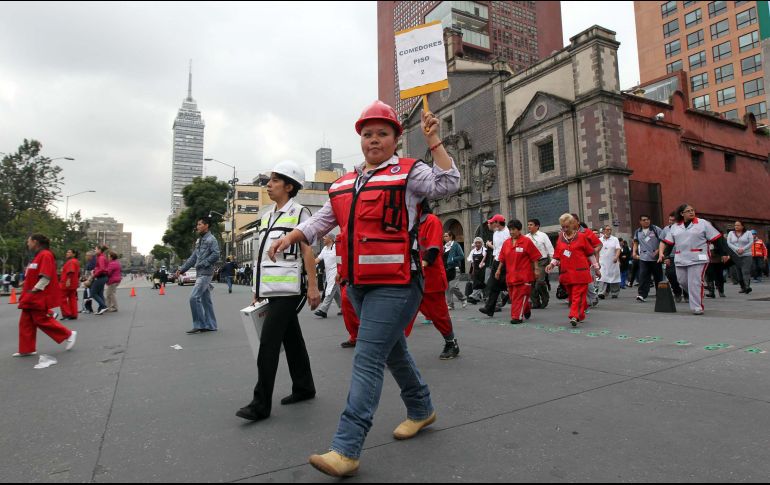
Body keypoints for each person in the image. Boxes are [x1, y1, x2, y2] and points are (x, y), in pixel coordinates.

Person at [267, 101, 460, 477]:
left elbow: (449, 183)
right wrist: (289, 236)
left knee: (368, 358)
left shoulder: (410, 172)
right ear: (360, 138)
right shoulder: (343, 184)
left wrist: (434, 140)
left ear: (395, 139)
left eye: (382, 134)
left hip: (399, 283)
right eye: (368, 134)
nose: (374, 139)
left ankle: (346, 448)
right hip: (358, 286)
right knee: (394, 353)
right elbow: (321, 221)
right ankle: (421, 408)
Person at [236, 160, 321, 423]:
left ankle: (260, 404)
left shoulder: (300, 213)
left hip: (289, 289)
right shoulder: (267, 216)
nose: (269, 185)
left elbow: (307, 250)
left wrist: (313, 286)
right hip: (270, 289)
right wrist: (257, 289)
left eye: (274, 180)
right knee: (292, 339)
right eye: (269, 180)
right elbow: (262, 257)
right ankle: (304, 387)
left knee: (268, 344)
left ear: (289, 186)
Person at [405, 200, 460, 359]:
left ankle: (451, 342)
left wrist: (422, 264)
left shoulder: (431, 221)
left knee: (439, 315)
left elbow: (433, 249)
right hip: (410, 278)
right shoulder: (407, 223)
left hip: (430, 278)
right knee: (403, 315)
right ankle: (394, 348)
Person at [659, 204, 730, 315]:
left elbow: (717, 239)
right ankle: (698, 291)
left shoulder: (703, 223)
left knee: (694, 282)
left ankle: (697, 307)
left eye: (692, 210)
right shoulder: (675, 226)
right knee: (682, 281)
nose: (691, 212)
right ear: (682, 213)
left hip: (698, 258)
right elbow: (669, 243)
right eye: (688, 211)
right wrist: (665, 256)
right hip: (681, 258)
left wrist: (724, 253)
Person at [14, 234, 77, 357]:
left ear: (35, 242)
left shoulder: (45, 255)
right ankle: (26, 349)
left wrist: (34, 290)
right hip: (30, 294)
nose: (28, 244)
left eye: (29, 241)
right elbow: (34, 274)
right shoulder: (38, 256)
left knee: (41, 319)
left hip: (36, 295)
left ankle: (68, 334)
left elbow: (45, 277)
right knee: (26, 322)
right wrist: (25, 283)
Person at [547, 214, 601, 327]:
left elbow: (590, 254)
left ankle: (574, 316)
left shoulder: (582, 237)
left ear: (572, 225)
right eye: (563, 227)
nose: (565, 229)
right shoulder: (560, 238)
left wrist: (596, 268)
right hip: (567, 273)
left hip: (581, 272)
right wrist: (551, 264)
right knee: (573, 297)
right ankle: (581, 313)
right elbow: (557, 255)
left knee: (576, 295)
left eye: (567, 226)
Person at [176, 217, 221, 334]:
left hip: (205, 273)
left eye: (200, 224)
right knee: (206, 301)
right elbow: (193, 258)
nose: (197, 227)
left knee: (194, 297)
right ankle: (211, 325)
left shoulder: (211, 239)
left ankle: (200, 324)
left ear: (206, 225)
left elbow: (216, 254)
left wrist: (203, 264)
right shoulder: (199, 241)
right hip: (200, 272)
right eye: (197, 224)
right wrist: (182, 269)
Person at [496, 219, 542, 324]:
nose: (511, 232)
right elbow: (502, 258)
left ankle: (516, 317)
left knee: (519, 297)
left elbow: (534, 256)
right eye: (510, 230)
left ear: (519, 230)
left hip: (524, 275)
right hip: (511, 276)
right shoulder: (506, 243)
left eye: (514, 229)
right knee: (513, 297)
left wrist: (536, 269)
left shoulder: (526, 241)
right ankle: (526, 308)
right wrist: (498, 270)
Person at [479, 214, 511, 317]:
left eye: (492, 222)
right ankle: (489, 308)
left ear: (497, 223)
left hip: (505, 262)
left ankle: (508, 296)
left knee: (505, 283)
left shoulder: (508, 232)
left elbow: (507, 250)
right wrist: (494, 260)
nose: (491, 224)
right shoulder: (495, 233)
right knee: (493, 285)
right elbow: (497, 249)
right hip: (496, 260)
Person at [570, 213, 602, 308]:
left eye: (572, 221)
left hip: (586, 262)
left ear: (578, 222)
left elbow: (599, 245)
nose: (570, 223)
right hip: (572, 263)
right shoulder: (567, 233)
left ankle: (592, 297)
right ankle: (578, 301)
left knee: (587, 281)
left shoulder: (587, 232)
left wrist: (591, 252)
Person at [632, 215, 663, 302]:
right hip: (643, 257)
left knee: (658, 277)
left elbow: (663, 241)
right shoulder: (638, 231)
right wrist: (634, 252)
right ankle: (642, 294)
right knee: (643, 276)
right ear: (640, 222)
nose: (646, 221)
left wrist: (658, 250)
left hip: (655, 257)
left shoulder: (655, 229)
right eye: (644, 220)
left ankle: (660, 294)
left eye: (648, 219)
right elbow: (635, 242)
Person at [525, 219, 554, 309]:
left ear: (537, 226)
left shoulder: (543, 235)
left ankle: (545, 297)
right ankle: (535, 302)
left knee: (540, 282)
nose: (529, 226)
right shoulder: (526, 237)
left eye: (531, 225)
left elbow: (550, 249)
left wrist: (553, 262)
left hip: (542, 261)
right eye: (528, 225)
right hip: (530, 262)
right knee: (531, 283)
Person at [659, 213, 688, 303]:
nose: (671, 222)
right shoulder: (666, 229)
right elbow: (662, 242)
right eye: (670, 220)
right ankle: (677, 292)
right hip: (670, 256)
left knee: (685, 276)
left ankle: (687, 293)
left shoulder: (684, 228)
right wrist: (663, 255)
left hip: (683, 255)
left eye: (673, 220)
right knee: (670, 274)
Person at [314, 233, 341, 319]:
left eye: (325, 237)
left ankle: (323, 310)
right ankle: (344, 308)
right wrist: (309, 264)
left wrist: (340, 272)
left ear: (331, 239)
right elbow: (317, 259)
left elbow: (341, 260)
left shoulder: (337, 247)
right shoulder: (324, 249)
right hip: (328, 274)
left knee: (329, 290)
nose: (323, 238)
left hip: (336, 272)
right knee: (336, 292)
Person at [727, 220, 755, 295]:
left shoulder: (748, 233)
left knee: (745, 271)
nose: (736, 226)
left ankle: (747, 287)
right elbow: (729, 243)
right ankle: (742, 287)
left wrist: (743, 249)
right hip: (736, 255)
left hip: (746, 255)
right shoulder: (731, 233)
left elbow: (751, 242)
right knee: (738, 272)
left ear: (742, 226)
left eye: (738, 225)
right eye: (735, 225)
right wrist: (737, 249)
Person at [443, 231, 467, 310]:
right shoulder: (444, 247)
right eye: (444, 236)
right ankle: (450, 304)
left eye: (446, 236)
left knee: (452, 286)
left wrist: (453, 259)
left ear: (451, 236)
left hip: (455, 268)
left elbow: (461, 256)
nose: (445, 238)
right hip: (446, 269)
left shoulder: (456, 245)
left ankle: (463, 298)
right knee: (447, 287)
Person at [598, 226, 622, 299]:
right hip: (602, 261)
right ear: (603, 231)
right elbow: (597, 250)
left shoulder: (615, 239)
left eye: (610, 230)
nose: (609, 231)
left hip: (612, 261)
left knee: (614, 276)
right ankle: (601, 292)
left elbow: (618, 249)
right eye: (607, 229)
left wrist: (616, 257)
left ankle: (615, 292)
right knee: (602, 277)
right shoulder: (599, 240)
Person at [706, 222, 727, 299]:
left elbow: (723, 245)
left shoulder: (718, 235)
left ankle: (721, 291)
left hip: (717, 257)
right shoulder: (702, 234)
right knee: (709, 274)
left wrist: (724, 254)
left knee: (719, 274)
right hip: (707, 257)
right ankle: (711, 292)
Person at [59, 249, 80, 321]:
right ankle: (74, 314)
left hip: (66, 282)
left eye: (69, 252)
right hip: (73, 283)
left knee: (62, 298)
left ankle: (67, 314)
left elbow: (71, 271)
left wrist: (68, 280)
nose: (67, 253)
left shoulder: (71, 261)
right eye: (67, 252)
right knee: (72, 298)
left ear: (73, 254)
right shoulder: (76, 261)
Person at [466, 237, 488, 304]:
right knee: (476, 283)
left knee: (482, 282)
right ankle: (476, 297)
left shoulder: (484, 250)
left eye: (479, 243)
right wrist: (473, 270)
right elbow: (472, 261)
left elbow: (486, 259)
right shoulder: (473, 251)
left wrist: (482, 264)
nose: (477, 244)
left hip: (483, 269)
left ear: (482, 243)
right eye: (476, 243)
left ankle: (477, 296)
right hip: (475, 269)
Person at [91, 245, 110, 315]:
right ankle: (101, 309)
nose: (94, 250)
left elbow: (102, 269)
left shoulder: (101, 258)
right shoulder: (101, 257)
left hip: (101, 277)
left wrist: (94, 274)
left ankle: (103, 306)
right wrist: (95, 270)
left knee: (93, 293)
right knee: (100, 293)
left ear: (99, 250)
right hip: (103, 277)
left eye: (95, 249)